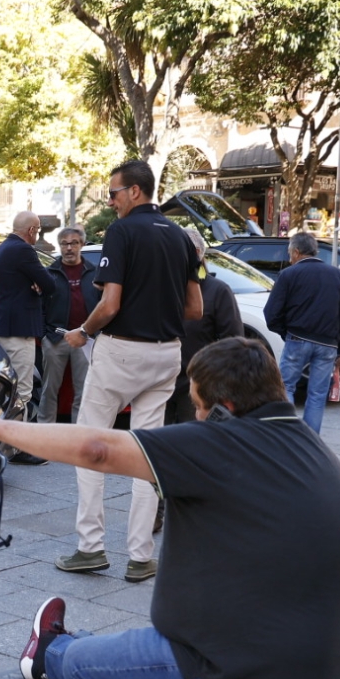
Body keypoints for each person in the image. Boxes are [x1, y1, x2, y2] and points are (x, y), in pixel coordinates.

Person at [0, 336, 340, 679]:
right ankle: (84, 648)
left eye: (199, 408)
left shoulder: (219, 444)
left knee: (80, 668)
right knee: (119, 651)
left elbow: (98, 449)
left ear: (224, 409)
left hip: (246, 675)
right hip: (321, 671)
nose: (196, 418)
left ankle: (52, 657)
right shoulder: (307, 445)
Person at [56, 160, 202, 582]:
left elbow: (110, 305)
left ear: (134, 192)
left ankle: (91, 547)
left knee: (89, 443)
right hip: (167, 354)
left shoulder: (121, 233)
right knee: (147, 454)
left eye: (114, 192)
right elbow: (195, 308)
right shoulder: (181, 237)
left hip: (122, 352)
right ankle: (140, 556)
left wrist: (83, 332)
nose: (110, 199)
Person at [263, 233, 340, 434]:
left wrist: (286, 332)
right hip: (328, 344)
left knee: (286, 388)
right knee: (318, 394)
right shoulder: (337, 275)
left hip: (297, 338)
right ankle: (311, 441)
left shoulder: (289, 274)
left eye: (289, 253)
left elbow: (271, 314)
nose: (289, 258)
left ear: (296, 252)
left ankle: (289, 436)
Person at [0, 211, 56, 465]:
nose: (36, 235)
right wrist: (38, 284)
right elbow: (50, 284)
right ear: (32, 230)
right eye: (36, 231)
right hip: (18, 331)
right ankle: (16, 449)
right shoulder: (24, 251)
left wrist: (33, 283)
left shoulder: (3, 249)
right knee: (22, 391)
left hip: (3, 327)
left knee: (7, 390)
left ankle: (6, 444)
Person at [167, 227, 243, 424]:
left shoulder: (218, 292)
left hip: (197, 387)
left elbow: (233, 342)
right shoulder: (164, 288)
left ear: (198, 255)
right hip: (161, 382)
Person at [37, 227, 99, 424]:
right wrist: (45, 334)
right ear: (60, 246)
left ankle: (78, 434)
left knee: (83, 391)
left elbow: (102, 303)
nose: (69, 248)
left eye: (74, 243)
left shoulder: (94, 273)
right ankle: (44, 434)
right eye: (65, 243)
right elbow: (39, 306)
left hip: (85, 338)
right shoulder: (49, 274)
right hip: (56, 338)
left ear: (81, 245)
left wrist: (95, 333)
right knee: (49, 390)